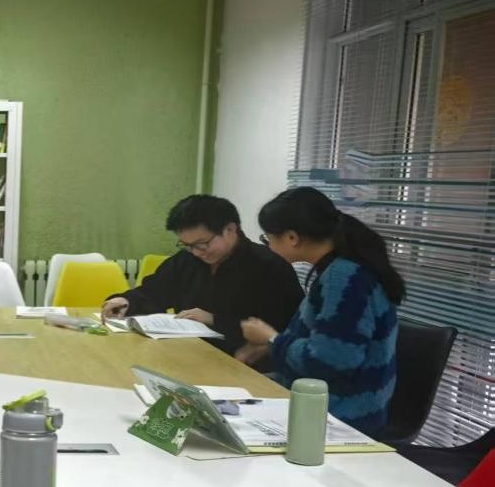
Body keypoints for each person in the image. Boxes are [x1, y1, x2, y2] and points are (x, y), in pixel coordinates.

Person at [239, 186, 404, 434]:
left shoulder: (345, 277)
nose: (268, 245)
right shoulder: (341, 270)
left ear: (292, 238)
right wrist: (271, 345)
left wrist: (273, 339)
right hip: (319, 402)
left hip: (342, 417)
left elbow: (330, 362)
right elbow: (325, 343)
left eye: (268, 238)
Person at [101, 194, 304, 357]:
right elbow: (154, 291)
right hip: (186, 353)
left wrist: (214, 319)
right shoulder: (187, 260)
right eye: (187, 245)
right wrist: (126, 300)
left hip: (238, 362)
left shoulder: (269, 266)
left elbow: (280, 330)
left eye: (202, 243)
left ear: (230, 230)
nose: (197, 252)